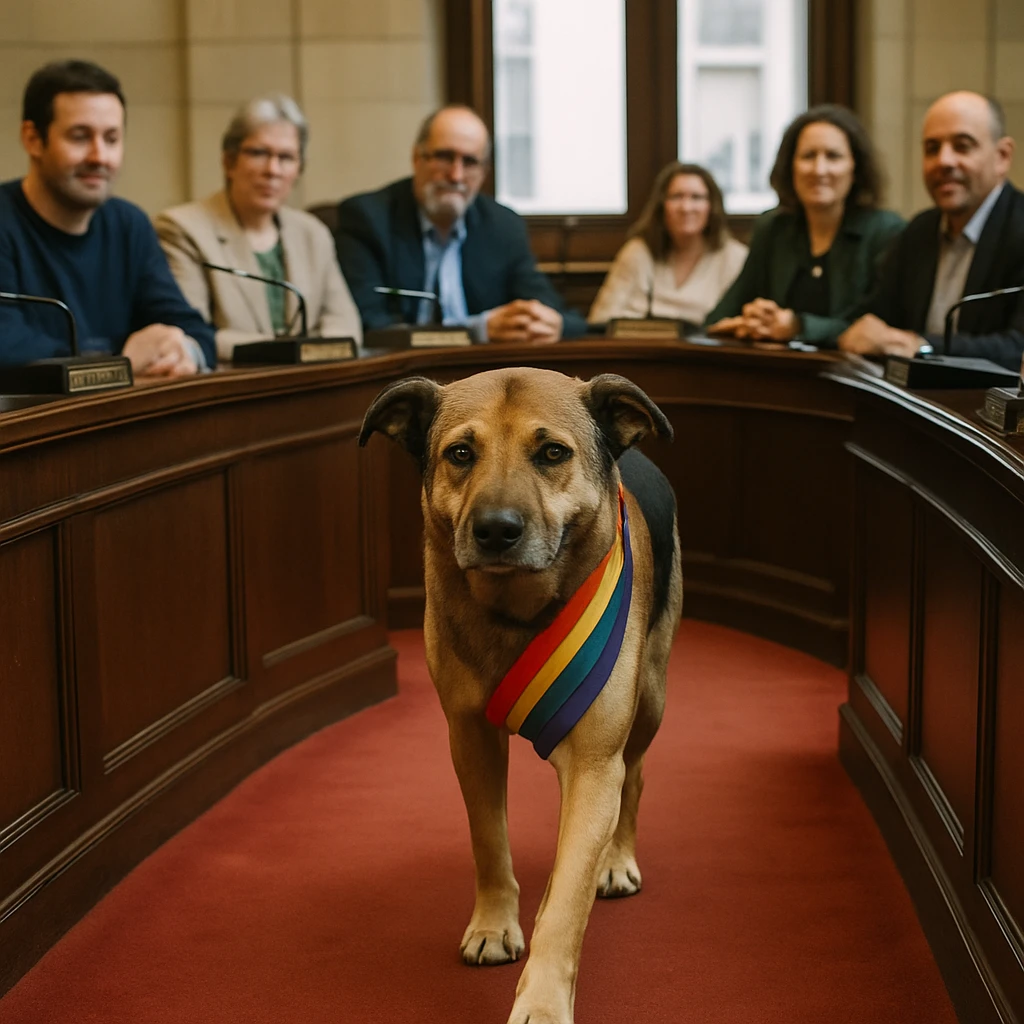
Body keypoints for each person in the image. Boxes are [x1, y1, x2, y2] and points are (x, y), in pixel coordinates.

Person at [0, 60, 215, 374]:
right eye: (79, 137)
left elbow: (192, 330)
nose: (99, 156)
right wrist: (117, 361)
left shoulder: (129, 224)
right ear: (32, 139)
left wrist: (183, 352)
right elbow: (7, 348)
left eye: (111, 139)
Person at [335, 104, 586, 343]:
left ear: (484, 172)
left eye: (470, 162)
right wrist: (477, 331)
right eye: (444, 157)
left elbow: (560, 314)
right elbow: (369, 325)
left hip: (485, 376)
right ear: (416, 158)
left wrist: (553, 324)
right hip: (399, 376)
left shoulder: (503, 226)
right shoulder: (368, 218)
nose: (456, 175)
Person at [154, 96, 362, 362]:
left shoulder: (312, 233)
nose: (272, 170)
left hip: (314, 380)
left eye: (286, 157)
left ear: (299, 169)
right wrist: (295, 351)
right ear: (229, 162)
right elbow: (192, 333)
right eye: (259, 153)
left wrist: (315, 353)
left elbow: (345, 325)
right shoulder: (181, 229)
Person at [839, 92, 1023, 369]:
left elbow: (1018, 347)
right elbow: (877, 320)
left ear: (1002, 156)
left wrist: (923, 346)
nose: (944, 161)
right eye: (932, 148)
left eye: (962, 146)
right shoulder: (918, 231)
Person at [705, 105, 905, 345]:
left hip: (855, 377)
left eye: (833, 156)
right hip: (775, 374)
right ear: (791, 167)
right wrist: (750, 319)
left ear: (856, 169)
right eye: (808, 156)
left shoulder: (886, 231)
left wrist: (797, 326)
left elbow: (877, 327)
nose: (819, 170)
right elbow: (721, 316)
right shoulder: (772, 228)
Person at [589, 162, 747, 326]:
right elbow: (600, 320)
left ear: (712, 206)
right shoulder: (638, 252)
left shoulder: (734, 257)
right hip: (639, 348)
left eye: (697, 197)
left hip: (704, 350)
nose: (686, 207)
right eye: (676, 197)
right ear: (661, 205)